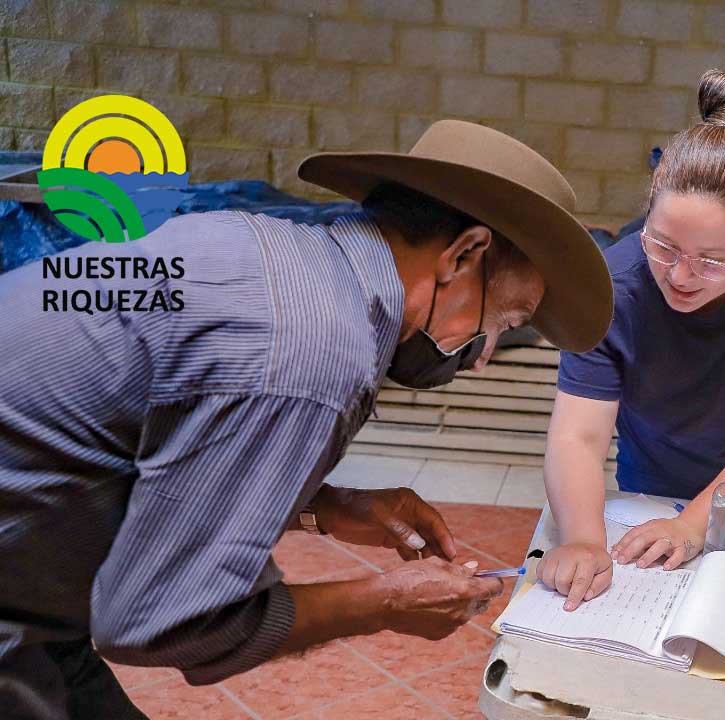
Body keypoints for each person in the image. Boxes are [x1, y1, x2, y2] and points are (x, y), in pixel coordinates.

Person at [0, 120, 612, 719]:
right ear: (463, 255)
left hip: (35, 599)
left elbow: (165, 456)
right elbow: (164, 618)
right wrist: (387, 602)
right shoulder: (314, 349)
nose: (481, 355)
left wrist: (326, 505)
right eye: (501, 321)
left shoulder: (265, 251)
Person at [538, 70, 725, 610]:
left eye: (712, 260)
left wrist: (694, 524)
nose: (680, 276)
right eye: (663, 245)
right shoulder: (612, 285)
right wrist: (583, 539)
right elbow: (577, 438)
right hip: (653, 482)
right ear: (651, 203)